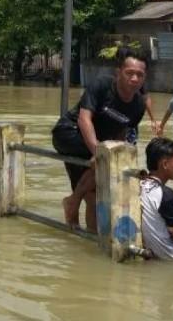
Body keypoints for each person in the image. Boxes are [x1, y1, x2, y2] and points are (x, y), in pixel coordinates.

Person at [52, 47, 148, 230]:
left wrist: (111, 153)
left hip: (97, 145)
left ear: (145, 77)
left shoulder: (139, 105)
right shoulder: (102, 85)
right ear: (118, 72)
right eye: (129, 73)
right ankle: (74, 201)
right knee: (105, 162)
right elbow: (84, 119)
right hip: (69, 133)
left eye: (140, 75)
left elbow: (121, 133)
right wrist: (99, 152)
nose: (134, 79)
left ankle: (88, 240)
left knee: (95, 196)